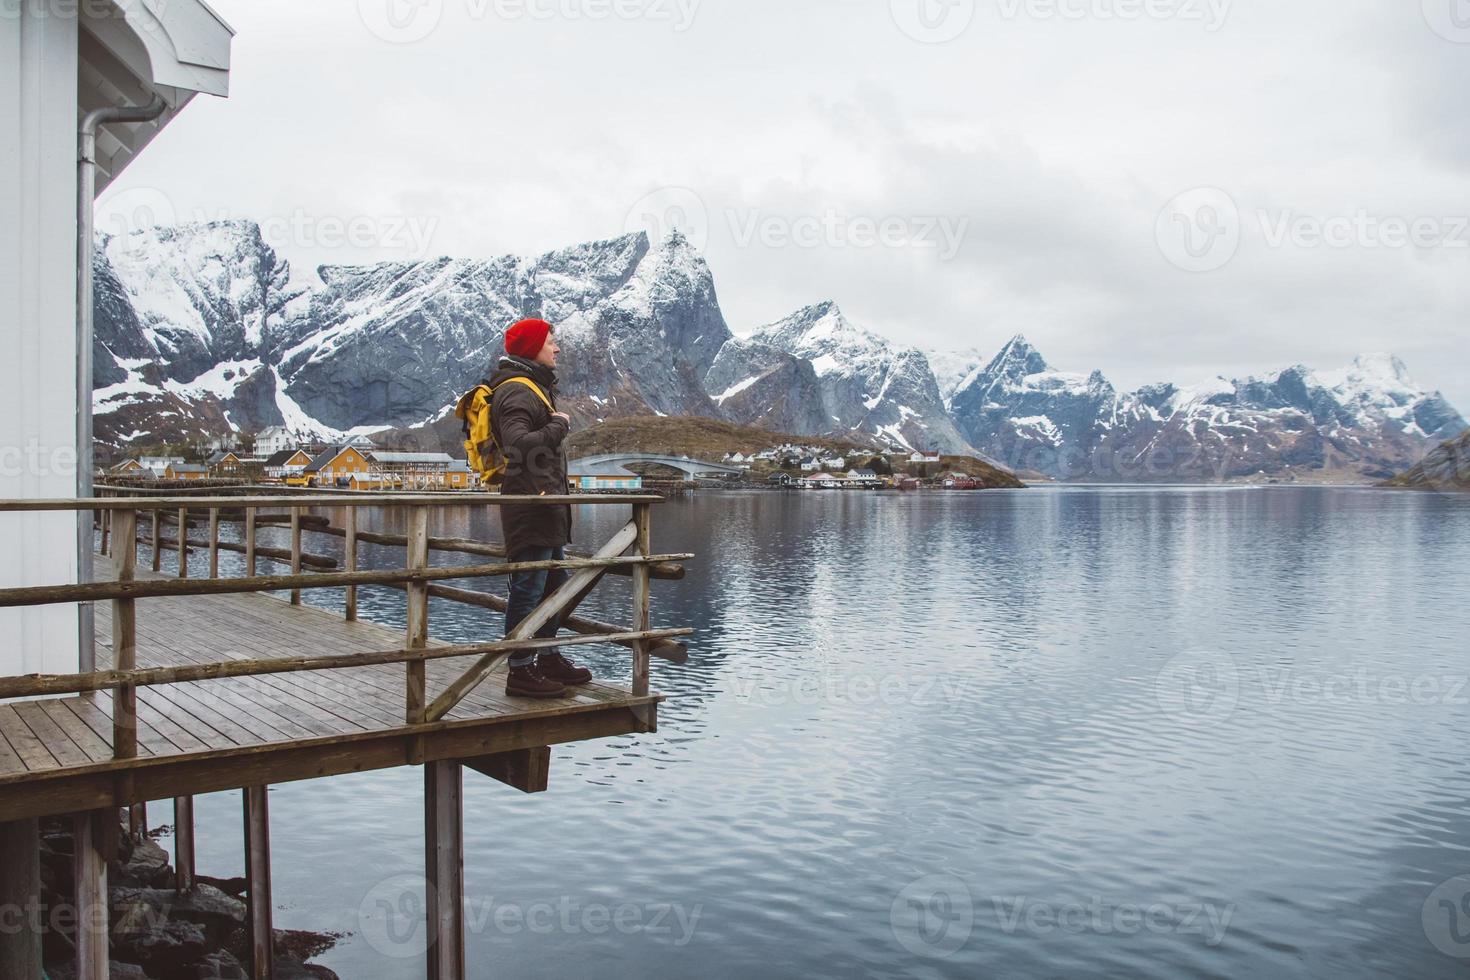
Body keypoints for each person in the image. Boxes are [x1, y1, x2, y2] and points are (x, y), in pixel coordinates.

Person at [489, 317, 594, 698]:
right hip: (530, 508)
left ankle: (547, 657)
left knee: (552, 586)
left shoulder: (533, 388)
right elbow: (518, 447)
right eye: (551, 341)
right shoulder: (518, 392)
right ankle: (520, 670)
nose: (558, 347)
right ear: (533, 347)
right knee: (529, 588)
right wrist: (558, 426)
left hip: (544, 507)